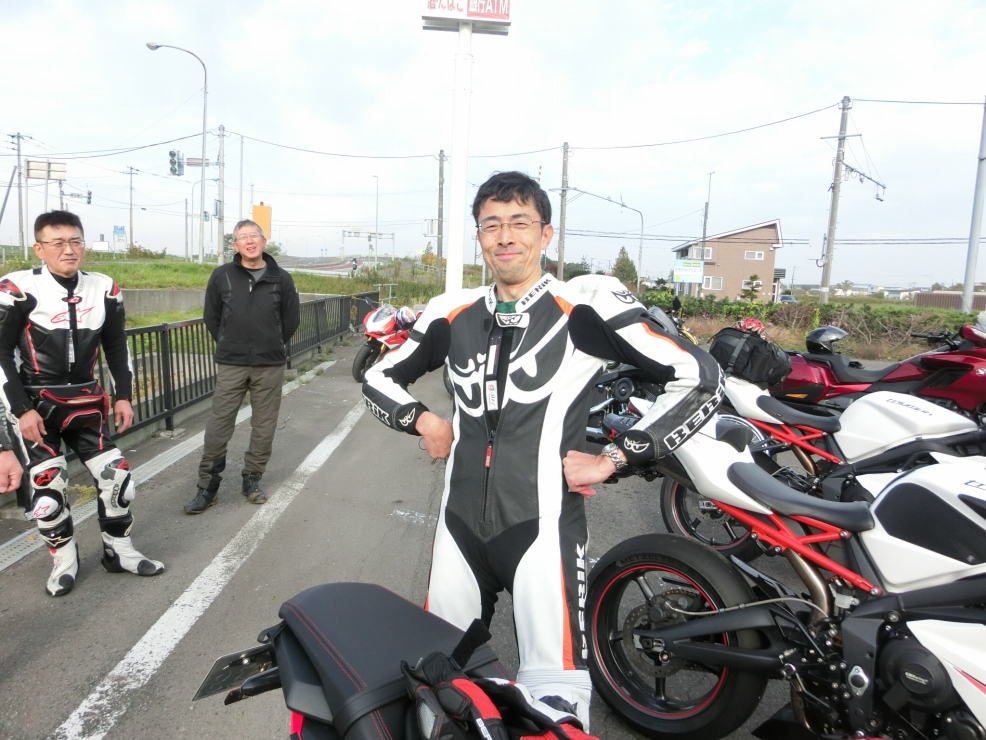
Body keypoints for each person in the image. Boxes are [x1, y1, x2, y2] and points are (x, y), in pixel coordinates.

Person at [362, 171, 724, 728]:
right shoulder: (450, 310)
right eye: (491, 225)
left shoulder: (583, 303)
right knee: (437, 691)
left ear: (545, 234)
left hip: (545, 529)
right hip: (458, 528)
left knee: (555, 704)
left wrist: (615, 457)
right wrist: (421, 419)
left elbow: (698, 376)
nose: (505, 236)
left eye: (520, 223)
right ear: (479, 237)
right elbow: (377, 377)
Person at [0, 210, 164, 596]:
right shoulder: (17, 288)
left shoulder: (104, 288)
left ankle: (118, 551)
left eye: (75, 241)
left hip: (86, 402)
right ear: (39, 248)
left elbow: (117, 346)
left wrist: (124, 396)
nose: (68, 249)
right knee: (48, 489)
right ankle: (64, 559)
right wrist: (21, 410)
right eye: (58, 242)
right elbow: (1, 354)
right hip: (34, 405)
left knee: (118, 478)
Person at [185, 219, 300, 514]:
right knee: (218, 425)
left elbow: (291, 320)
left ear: (263, 241)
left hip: (269, 364)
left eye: (254, 236)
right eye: (242, 237)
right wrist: (228, 342)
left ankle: (252, 479)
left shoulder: (281, 278)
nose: (249, 241)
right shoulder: (222, 275)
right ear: (235, 245)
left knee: (264, 426)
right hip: (231, 363)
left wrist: (271, 342)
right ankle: (207, 487)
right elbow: (212, 317)